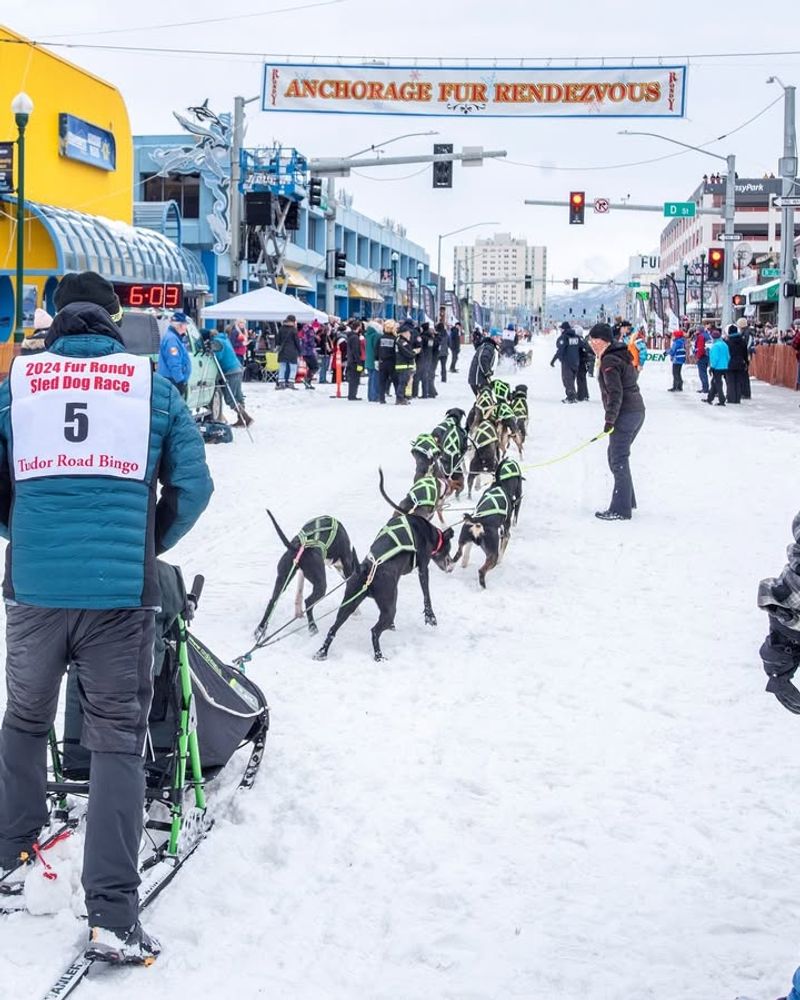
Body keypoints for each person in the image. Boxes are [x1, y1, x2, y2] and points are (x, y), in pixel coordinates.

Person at [0, 270, 213, 963]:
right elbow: (194, 484)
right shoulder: (151, 385)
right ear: (115, 319)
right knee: (118, 738)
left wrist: (24, 531)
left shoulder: (18, 383)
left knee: (25, 718)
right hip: (121, 594)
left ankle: (10, 854)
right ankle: (113, 916)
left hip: (34, 589)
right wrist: (147, 540)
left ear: (55, 318)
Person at [588, 322, 646, 521]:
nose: (591, 344)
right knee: (616, 455)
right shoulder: (618, 354)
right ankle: (627, 499)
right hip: (636, 412)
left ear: (603, 341)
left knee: (618, 458)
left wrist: (610, 420)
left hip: (626, 414)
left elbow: (615, 393)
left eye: (594, 340)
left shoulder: (609, 360)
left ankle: (620, 509)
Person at [204, 328, 253, 426]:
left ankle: (245, 417)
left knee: (230, 398)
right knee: (238, 395)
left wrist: (209, 352)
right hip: (237, 368)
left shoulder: (217, 342)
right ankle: (241, 419)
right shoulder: (225, 339)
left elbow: (217, 357)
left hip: (230, 371)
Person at [157, 310, 192, 399]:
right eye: (185, 325)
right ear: (180, 325)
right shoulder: (172, 340)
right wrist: (180, 381)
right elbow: (174, 362)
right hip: (172, 381)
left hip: (172, 380)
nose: (186, 328)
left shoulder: (175, 338)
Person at [550, 320, 583, 403]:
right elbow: (583, 346)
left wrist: (553, 360)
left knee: (567, 380)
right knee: (571, 380)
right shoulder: (576, 337)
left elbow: (560, 350)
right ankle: (573, 395)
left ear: (564, 329)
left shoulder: (564, 337)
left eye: (561, 329)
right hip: (576, 362)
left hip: (567, 362)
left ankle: (571, 397)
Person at [468, 329, 499, 395]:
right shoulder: (488, 347)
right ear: (493, 337)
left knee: (485, 398)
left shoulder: (489, 345)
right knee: (485, 398)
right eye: (498, 337)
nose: (500, 339)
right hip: (478, 379)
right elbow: (483, 358)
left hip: (478, 378)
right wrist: (487, 372)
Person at [276, 314, 301, 389]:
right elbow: (297, 342)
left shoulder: (281, 329)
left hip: (282, 351)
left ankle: (281, 383)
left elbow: (278, 341)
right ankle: (291, 383)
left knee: (282, 367)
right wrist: (300, 351)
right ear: (293, 321)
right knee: (293, 368)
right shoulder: (294, 330)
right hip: (292, 351)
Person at [705, 327, 729, 406]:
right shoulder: (724, 344)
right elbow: (728, 356)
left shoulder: (715, 346)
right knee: (714, 382)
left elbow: (715, 358)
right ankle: (710, 398)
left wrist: (712, 367)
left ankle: (722, 399)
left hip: (717, 367)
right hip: (725, 366)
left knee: (717, 383)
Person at [394, 324, 417, 404]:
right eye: (408, 333)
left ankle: (402, 398)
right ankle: (400, 398)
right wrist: (414, 353)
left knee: (404, 382)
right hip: (403, 365)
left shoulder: (401, 341)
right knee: (402, 383)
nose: (409, 334)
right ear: (403, 333)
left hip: (403, 365)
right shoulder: (402, 342)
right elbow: (407, 353)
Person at [377, 320, 398, 403]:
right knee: (396, 381)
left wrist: (376, 359)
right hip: (392, 362)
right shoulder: (395, 339)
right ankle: (399, 397)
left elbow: (377, 349)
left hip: (382, 362)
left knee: (382, 381)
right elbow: (396, 351)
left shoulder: (380, 338)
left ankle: (381, 398)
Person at [733, 317, 752, 400]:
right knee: (743, 375)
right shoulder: (745, 333)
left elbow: (746, 345)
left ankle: (745, 392)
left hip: (745, 356)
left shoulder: (746, 334)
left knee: (744, 375)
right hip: (744, 356)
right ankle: (744, 392)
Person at [365, 320, 382, 402]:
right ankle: (375, 396)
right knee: (375, 379)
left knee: (371, 379)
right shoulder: (376, 335)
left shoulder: (367, 335)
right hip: (374, 360)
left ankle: (370, 396)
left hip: (368, 360)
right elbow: (377, 348)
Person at [300, 322, 320, 391]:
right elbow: (311, 342)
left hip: (304, 352)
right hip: (309, 352)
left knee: (311, 367)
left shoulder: (305, 331)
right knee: (315, 367)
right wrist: (315, 343)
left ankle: (308, 382)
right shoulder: (311, 332)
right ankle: (306, 379)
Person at [346, 322, 363, 401]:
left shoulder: (350, 336)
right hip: (355, 362)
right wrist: (359, 361)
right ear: (358, 327)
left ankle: (352, 394)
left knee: (353, 378)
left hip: (351, 360)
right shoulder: (355, 338)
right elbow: (356, 351)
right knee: (355, 378)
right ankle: (352, 395)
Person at [693, 325, 711, 394]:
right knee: (704, 372)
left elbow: (700, 348)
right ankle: (706, 387)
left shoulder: (701, 337)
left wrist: (698, 356)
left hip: (702, 356)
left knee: (702, 373)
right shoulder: (707, 335)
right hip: (707, 355)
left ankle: (705, 388)